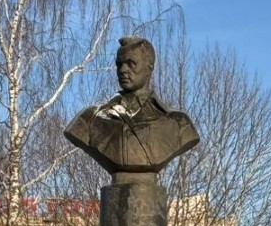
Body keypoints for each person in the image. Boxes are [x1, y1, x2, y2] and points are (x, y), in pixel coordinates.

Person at [64, 35, 199, 175]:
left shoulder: (178, 124)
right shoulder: (90, 119)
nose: (122, 70)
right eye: (119, 64)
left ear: (149, 67)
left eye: (131, 63)